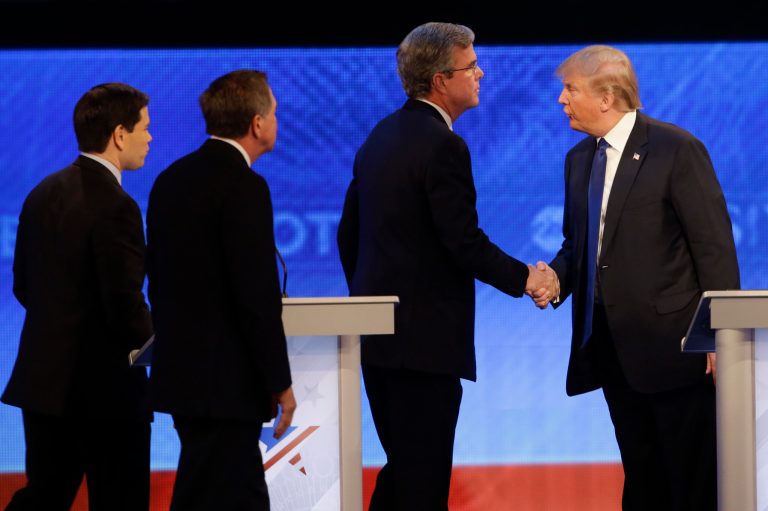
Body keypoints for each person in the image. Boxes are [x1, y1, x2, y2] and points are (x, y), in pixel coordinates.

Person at [337, 22, 556, 510]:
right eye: (471, 65)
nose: (481, 73)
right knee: (422, 483)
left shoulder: (380, 135)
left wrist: (371, 304)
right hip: (423, 347)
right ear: (440, 79)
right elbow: (462, 241)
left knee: (403, 475)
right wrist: (527, 279)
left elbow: (348, 234)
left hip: (379, 344)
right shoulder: (443, 145)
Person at [536, 45, 740, 510]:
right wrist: (556, 279)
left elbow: (713, 248)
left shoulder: (675, 149)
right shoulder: (578, 160)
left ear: (606, 96)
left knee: (691, 478)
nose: (561, 100)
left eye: (570, 89)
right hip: (612, 349)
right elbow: (579, 247)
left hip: (675, 348)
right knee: (642, 474)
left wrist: (718, 337)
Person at [146, 70, 296, 511]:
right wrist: (280, 382)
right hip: (227, 384)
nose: (276, 119)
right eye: (274, 110)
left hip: (182, 378)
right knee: (235, 495)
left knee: (201, 490)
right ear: (256, 123)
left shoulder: (170, 179)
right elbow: (255, 297)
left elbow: (158, 278)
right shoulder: (245, 187)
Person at [1, 83, 154, 511]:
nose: (150, 138)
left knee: (44, 497)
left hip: (44, 385)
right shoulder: (117, 205)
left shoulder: (42, 193)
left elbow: (22, 285)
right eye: (145, 127)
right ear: (120, 135)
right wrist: (157, 345)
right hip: (106, 394)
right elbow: (123, 302)